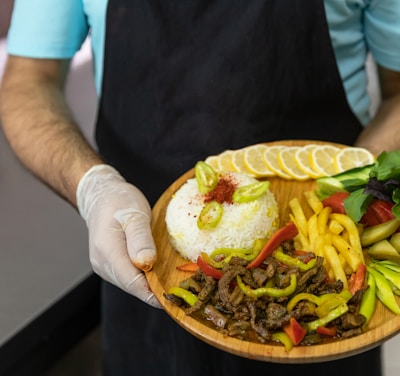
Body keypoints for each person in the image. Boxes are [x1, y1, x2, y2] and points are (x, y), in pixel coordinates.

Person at [1, 1, 400, 375]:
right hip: (144, 256)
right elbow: (27, 81)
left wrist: (359, 185)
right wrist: (93, 187)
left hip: (326, 282)